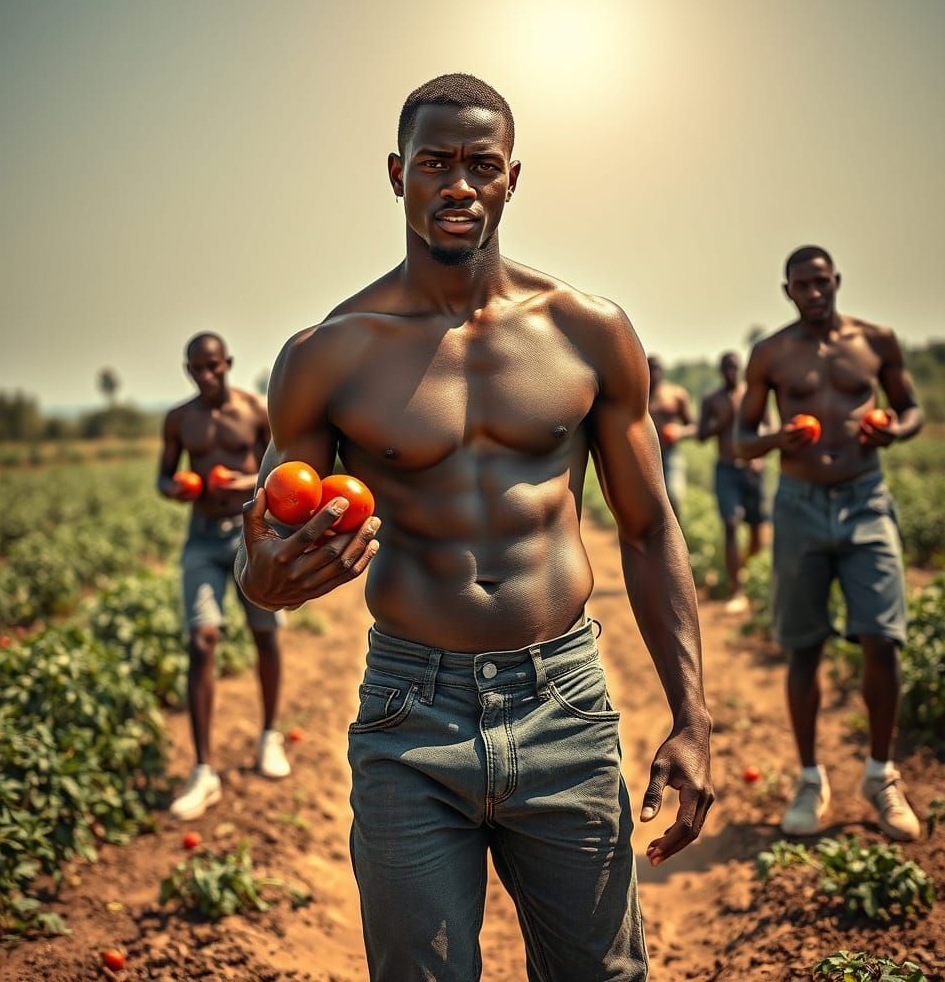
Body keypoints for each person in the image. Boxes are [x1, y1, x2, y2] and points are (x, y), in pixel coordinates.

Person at [236, 73, 713, 982]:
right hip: (411, 713)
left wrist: (692, 717)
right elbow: (267, 544)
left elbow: (650, 530)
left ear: (511, 178)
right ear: (397, 174)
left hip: (563, 704)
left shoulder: (588, 332)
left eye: (481, 165)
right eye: (435, 163)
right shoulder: (328, 354)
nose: (458, 184)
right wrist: (265, 579)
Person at [736, 245, 923, 841]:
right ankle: (810, 779)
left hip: (866, 499)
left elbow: (911, 409)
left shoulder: (876, 341)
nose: (814, 292)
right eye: (802, 285)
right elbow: (741, 438)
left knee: (882, 639)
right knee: (804, 647)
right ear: (787, 291)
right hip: (798, 505)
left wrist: (894, 430)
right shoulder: (771, 354)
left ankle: (881, 774)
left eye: (821, 282)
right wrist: (777, 441)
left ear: (836, 280)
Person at [158, 332, 290, 821]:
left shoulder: (254, 410)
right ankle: (202, 770)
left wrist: (244, 482)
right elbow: (163, 475)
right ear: (188, 370)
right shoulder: (179, 419)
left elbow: (279, 469)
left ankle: (269, 736)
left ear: (227, 363)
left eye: (212, 365)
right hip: (201, 538)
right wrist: (175, 488)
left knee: (265, 634)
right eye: (197, 367)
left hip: (250, 534)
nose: (205, 374)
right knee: (202, 640)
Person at [697, 351, 767, 613]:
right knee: (731, 522)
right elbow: (701, 434)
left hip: (752, 471)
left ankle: (747, 571)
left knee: (758, 530)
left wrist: (759, 456)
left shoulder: (752, 395)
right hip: (726, 469)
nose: (731, 373)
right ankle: (736, 589)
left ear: (741, 369)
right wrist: (722, 422)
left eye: (734, 368)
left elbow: (769, 426)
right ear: (721, 371)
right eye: (726, 368)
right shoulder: (712, 400)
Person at [647, 354, 696, 520]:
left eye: (656, 368)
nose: (653, 372)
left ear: (662, 370)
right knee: (646, 503)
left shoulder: (676, 394)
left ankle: (676, 531)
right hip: (645, 454)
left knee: (673, 495)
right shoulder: (637, 395)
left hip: (670, 453)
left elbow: (694, 427)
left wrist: (680, 432)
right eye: (650, 368)